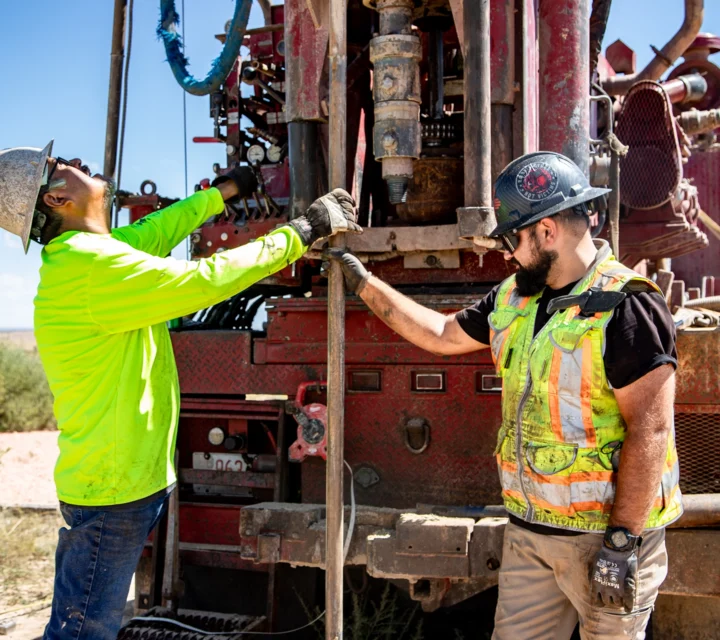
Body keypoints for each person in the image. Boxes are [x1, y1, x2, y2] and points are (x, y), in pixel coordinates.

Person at [0, 141, 361, 640]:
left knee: (85, 619)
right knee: (82, 629)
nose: (76, 163)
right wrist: (298, 234)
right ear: (55, 200)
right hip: (112, 490)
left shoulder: (90, 256)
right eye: (58, 167)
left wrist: (223, 194)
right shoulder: (90, 270)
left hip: (119, 483)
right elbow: (204, 280)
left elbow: (155, 230)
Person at [326, 151, 682, 640]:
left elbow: (652, 430)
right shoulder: (515, 297)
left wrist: (622, 543)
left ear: (548, 230)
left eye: (514, 238)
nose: (508, 253)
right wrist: (364, 284)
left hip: (604, 544)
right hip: (530, 535)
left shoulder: (627, 305)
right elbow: (443, 333)